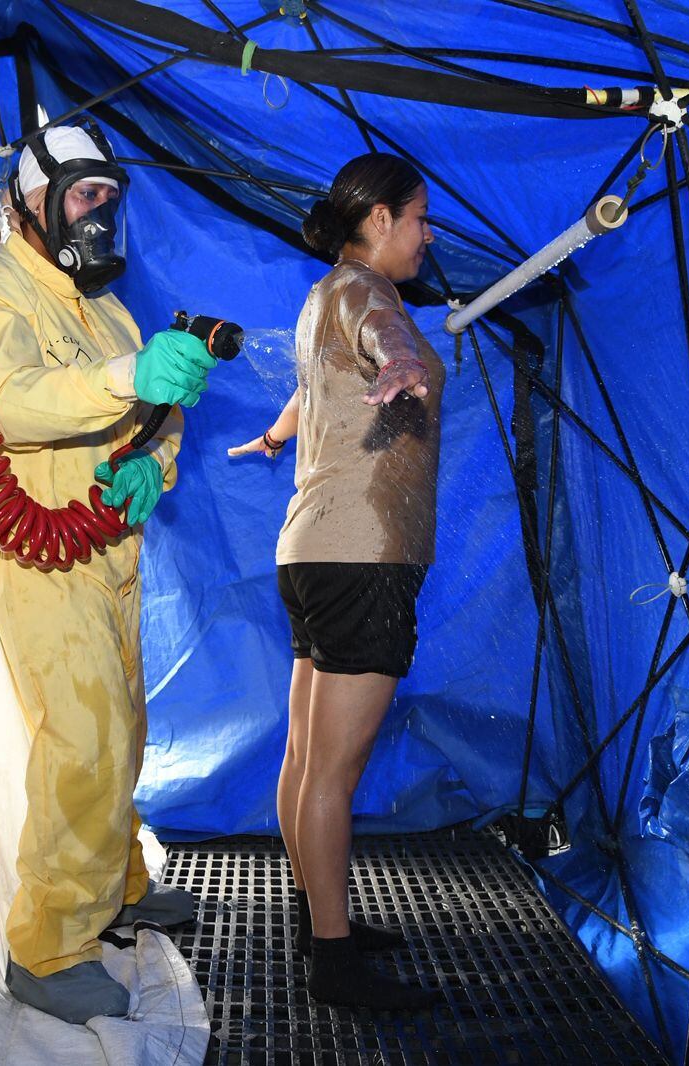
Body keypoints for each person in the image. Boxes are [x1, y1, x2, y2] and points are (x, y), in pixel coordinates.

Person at [0, 121, 223, 1024]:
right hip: (42, 551)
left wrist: (160, 461)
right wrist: (123, 377)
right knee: (84, 733)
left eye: (109, 198)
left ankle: (116, 882)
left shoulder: (108, 308)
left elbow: (164, 408)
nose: (100, 216)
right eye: (84, 196)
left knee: (127, 721)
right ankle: (48, 945)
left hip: (114, 551)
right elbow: (6, 404)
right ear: (35, 201)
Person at [229, 152, 443, 1010]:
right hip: (361, 557)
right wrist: (403, 362)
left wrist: (281, 434)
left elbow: (317, 385)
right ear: (381, 219)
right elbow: (382, 344)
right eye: (420, 218)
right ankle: (334, 962)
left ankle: (321, 913)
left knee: (304, 757)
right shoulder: (369, 295)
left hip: (311, 552)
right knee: (332, 773)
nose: (429, 235)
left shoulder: (326, 293)